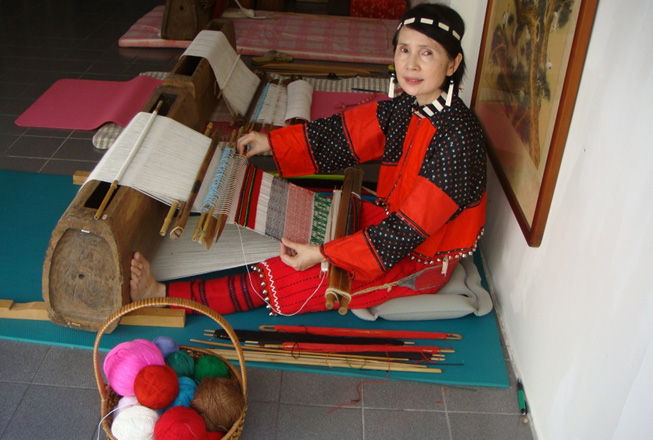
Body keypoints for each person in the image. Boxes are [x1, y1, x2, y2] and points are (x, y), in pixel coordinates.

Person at [130, 3, 487, 317]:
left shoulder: (458, 139)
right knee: (305, 220)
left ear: (452, 63)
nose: (410, 63)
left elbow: (406, 233)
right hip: (394, 221)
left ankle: (161, 294)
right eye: (404, 49)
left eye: (427, 53)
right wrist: (272, 142)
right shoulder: (409, 106)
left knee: (283, 276)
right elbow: (344, 134)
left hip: (420, 259)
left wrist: (322, 254)